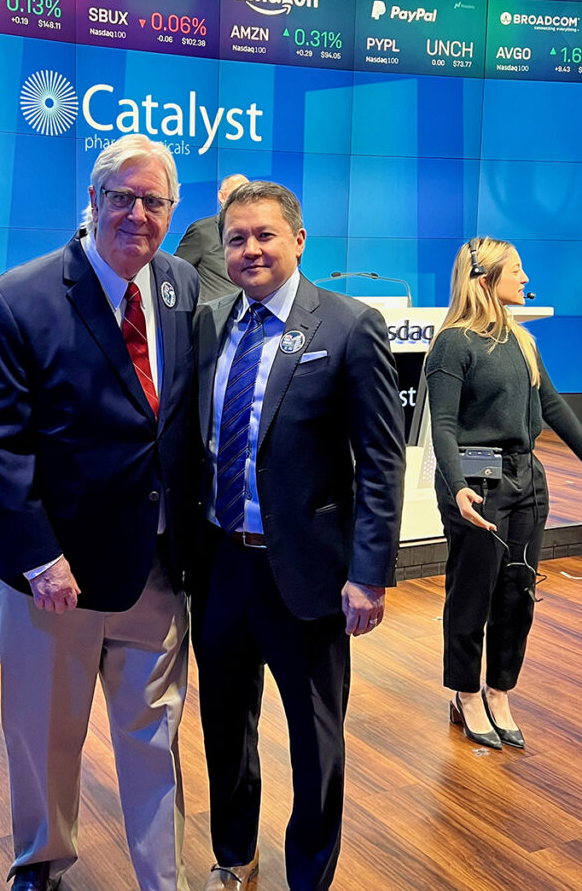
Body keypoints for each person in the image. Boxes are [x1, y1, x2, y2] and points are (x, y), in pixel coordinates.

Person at [0, 134, 199, 891]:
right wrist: (39, 558)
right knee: (44, 732)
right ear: (93, 200)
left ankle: (164, 878)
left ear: (171, 211)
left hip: (154, 568)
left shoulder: (181, 286)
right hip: (52, 577)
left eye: (153, 201)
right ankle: (41, 861)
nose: (137, 214)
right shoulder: (18, 299)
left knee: (155, 736)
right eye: (122, 197)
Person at [191, 181, 406, 891]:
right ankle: (234, 855)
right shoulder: (210, 323)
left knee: (315, 740)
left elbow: (381, 460)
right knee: (225, 725)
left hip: (309, 575)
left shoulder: (348, 324)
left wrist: (368, 573)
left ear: (299, 239)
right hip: (221, 566)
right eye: (237, 238)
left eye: (265, 235)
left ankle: (309, 875)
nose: (250, 250)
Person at [425, 237, 582, 750]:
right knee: (472, 594)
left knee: (518, 593)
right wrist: (458, 487)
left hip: (526, 479)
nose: (525, 278)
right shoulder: (454, 343)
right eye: (516, 269)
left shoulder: (522, 340)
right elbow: (443, 425)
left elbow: (553, 407)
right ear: (485, 278)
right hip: (476, 483)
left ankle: (499, 691)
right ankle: (466, 693)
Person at [174, 173, 248, 301]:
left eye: (247, 196)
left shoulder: (251, 237)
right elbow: (175, 273)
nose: (244, 201)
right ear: (222, 196)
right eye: (238, 194)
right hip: (211, 311)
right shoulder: (202, 231)